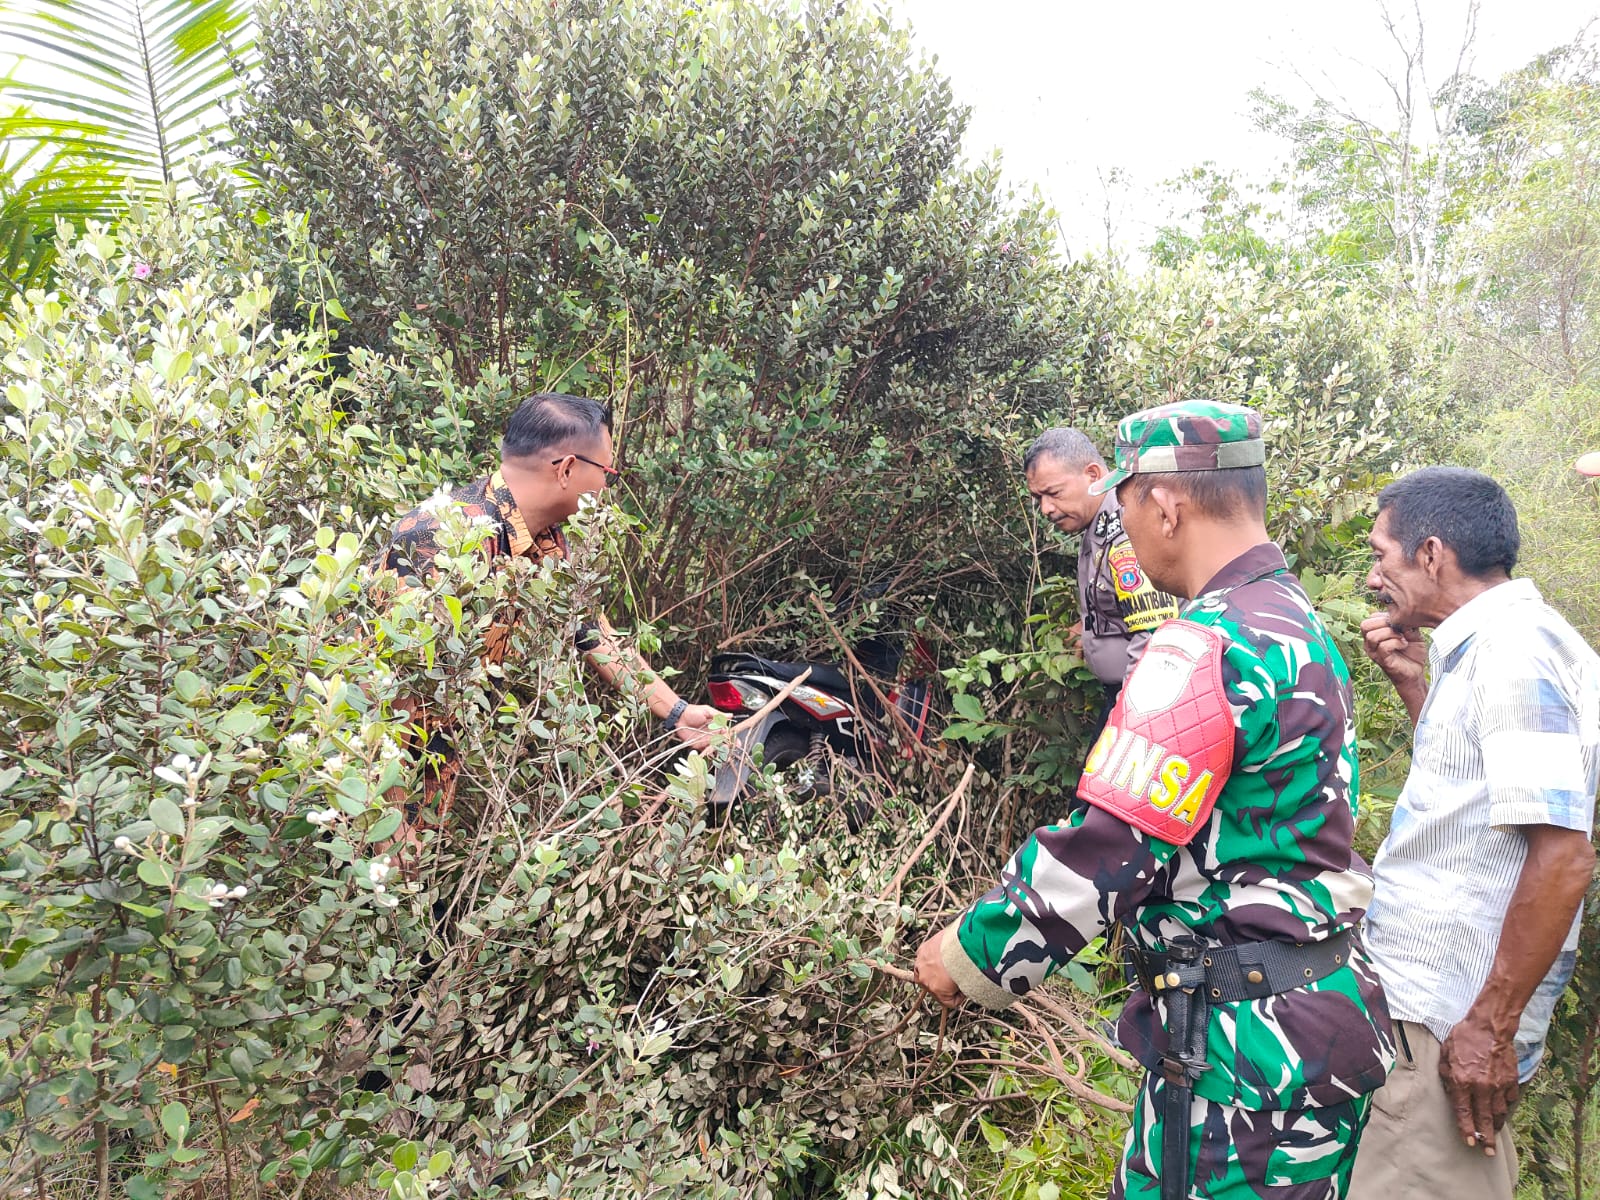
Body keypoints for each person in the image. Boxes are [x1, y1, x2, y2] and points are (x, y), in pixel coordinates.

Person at [916, 399, 1393, 1200]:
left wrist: (969, 954)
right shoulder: (1294, 621)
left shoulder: (1204, 645)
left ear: (1164, 504)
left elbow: (1108, 848)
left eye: (1127, 503)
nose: (1124, 527)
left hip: (1241, 1060)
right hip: (1318, 1025)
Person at [1351, 467, 1600, 1198]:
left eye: (1381, 555)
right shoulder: (1512, 644)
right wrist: (1412, 687)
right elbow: (1487, 802)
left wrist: (1490, 1025)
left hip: (1446, 1023)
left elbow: (1563, 856)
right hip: (1438, 1020)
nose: (1373, 578)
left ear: (1431, 555)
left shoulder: (1512, 657)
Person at [374, 392, 719, 829]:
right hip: (375, 784)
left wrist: (677, 712)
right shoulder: (440, 537)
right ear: (568, 469)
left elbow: (593, 633)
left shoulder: (548, 542)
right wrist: (390, 824)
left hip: (436, 770)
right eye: (608, 473)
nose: (607, 488)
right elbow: (388, 691)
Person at [1025, 428, 1179, 723]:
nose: (1045, 508)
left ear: (1093, 474)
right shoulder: (1097, 524)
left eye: (1054, 493)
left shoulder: (1124, 534)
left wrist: (1129, 719)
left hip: (1141, 703)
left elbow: (1152, 636)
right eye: (1038, 498)